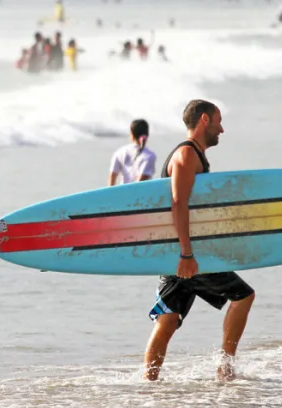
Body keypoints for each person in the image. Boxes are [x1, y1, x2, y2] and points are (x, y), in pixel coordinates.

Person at [144, 100, 255, 382]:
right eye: (218, 121)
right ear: (204, 119)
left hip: (179, 252)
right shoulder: (186, 155)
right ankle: (225, 367)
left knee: (168, 319)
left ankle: (148, 383)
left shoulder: (194, 155)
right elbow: (178, 203)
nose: (222, 128)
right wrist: (186, 254)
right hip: (188, 254)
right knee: (243, 296)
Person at [108, 119, 156, 185]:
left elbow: (112, 176)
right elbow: (141, 180)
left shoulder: (120, 152)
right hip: (143, 194)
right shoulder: (149, 155)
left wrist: (111, 193)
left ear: (131, 134)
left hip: (123, 192)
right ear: (147, 135)